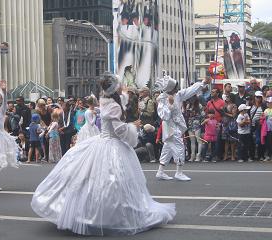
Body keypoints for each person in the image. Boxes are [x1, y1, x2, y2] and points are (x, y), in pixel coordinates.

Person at [31, 72, 175, 236]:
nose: (122, 87)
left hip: (102, 142)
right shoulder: (113, 105)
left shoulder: (108, 101)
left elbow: (123, 102)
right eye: (120, 84)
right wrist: (133, 126)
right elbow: (120, 131)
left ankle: (93, 212)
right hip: (112, 145)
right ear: (115, 88)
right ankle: (110, 216)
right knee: (113, 182)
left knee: (98, 181)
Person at [155, 75, 210, 181]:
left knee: (167, 149)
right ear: (171, 88)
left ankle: (160, 172)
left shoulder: (177, 95)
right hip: (171, 128)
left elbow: (190, 90)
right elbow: (164, 116)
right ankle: (179, 172)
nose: (177, 88)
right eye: (175, 87)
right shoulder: (162, 99)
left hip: (176, 127)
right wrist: (170, 105)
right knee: (180, 148)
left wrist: (203, 83)